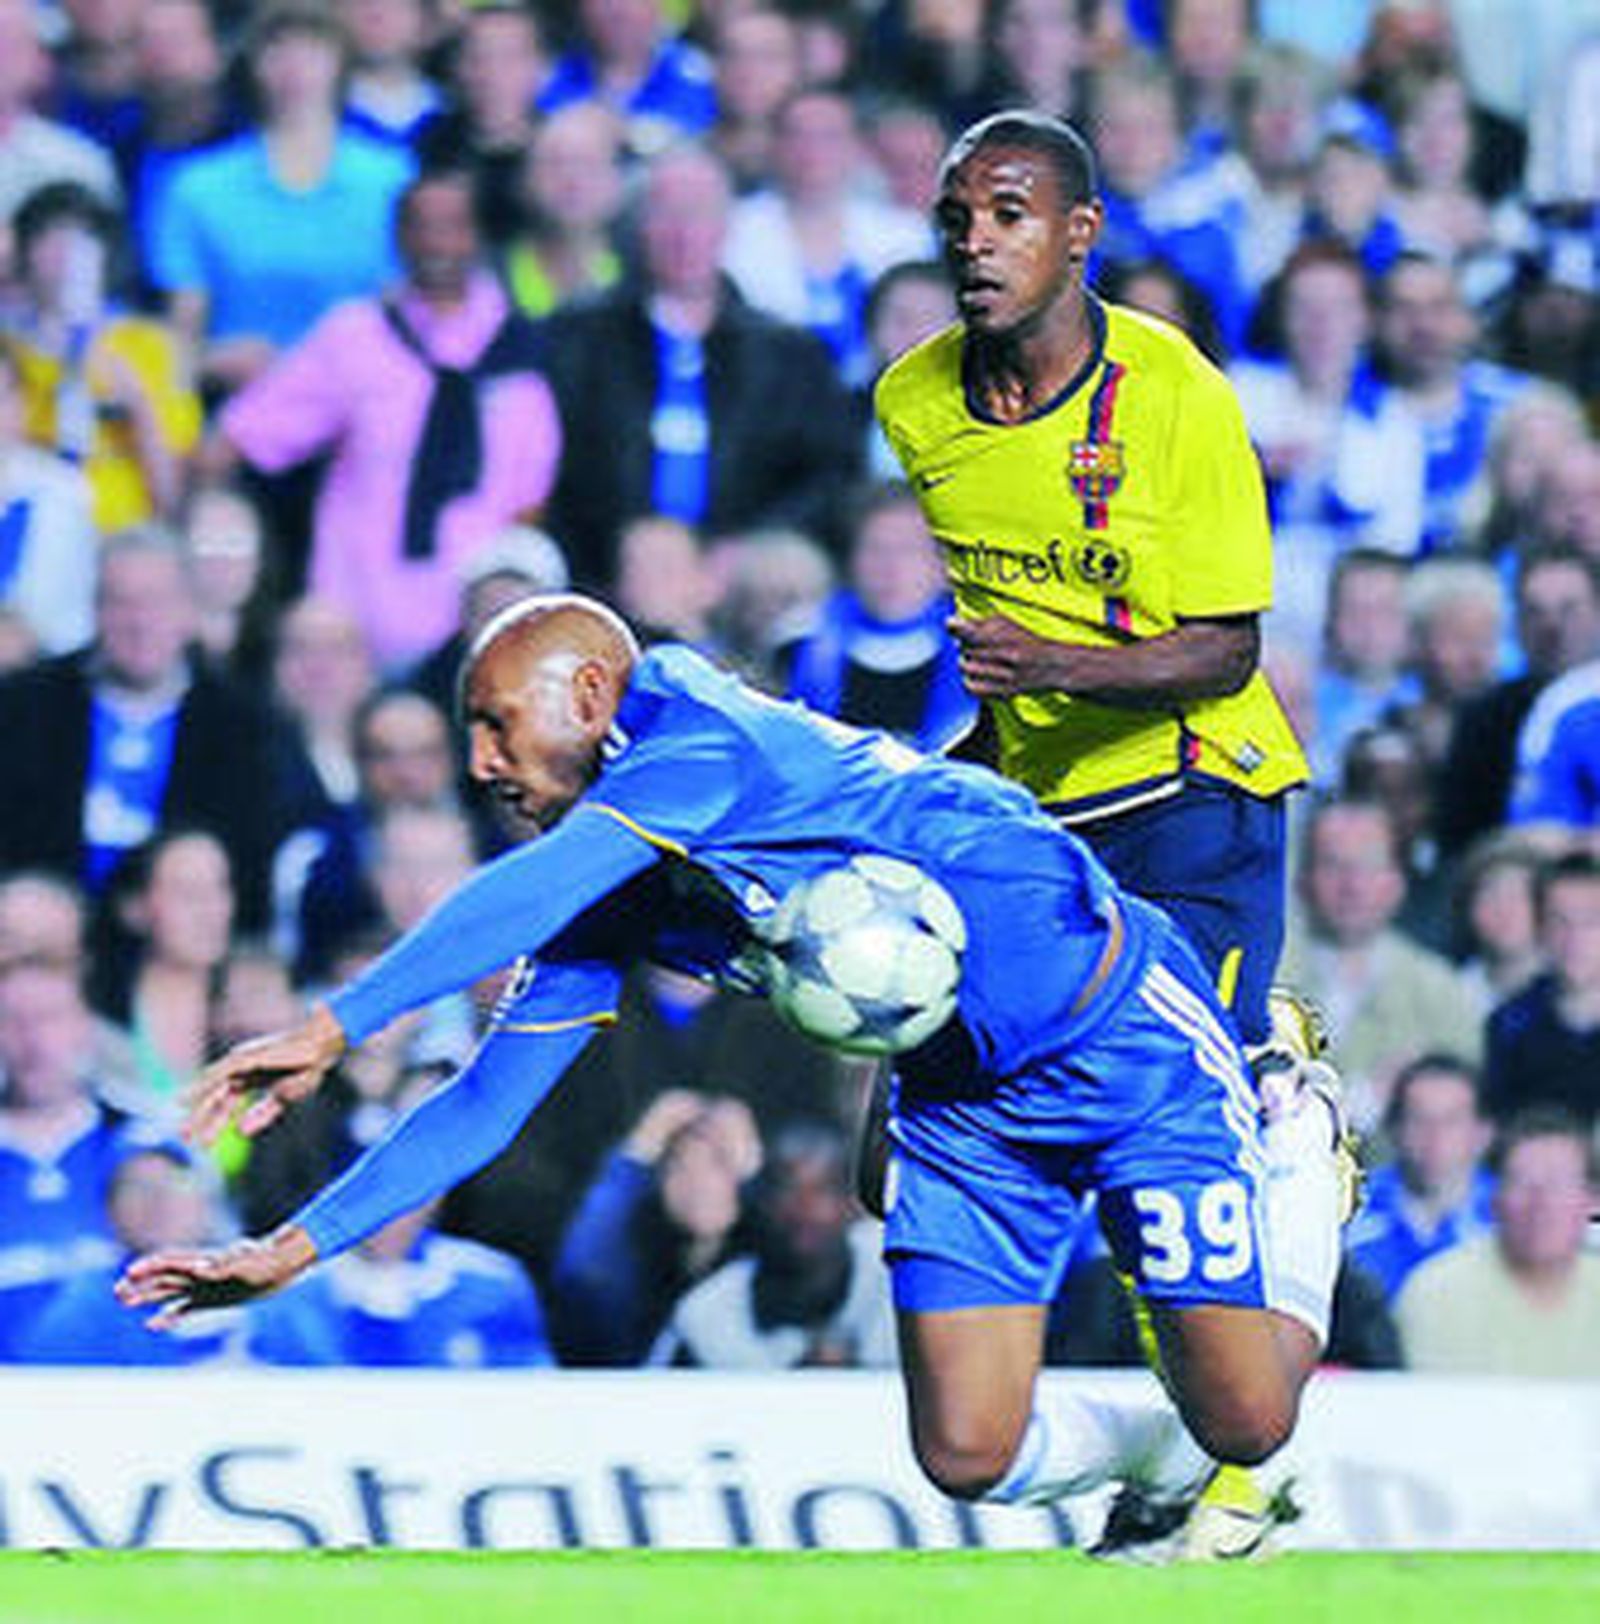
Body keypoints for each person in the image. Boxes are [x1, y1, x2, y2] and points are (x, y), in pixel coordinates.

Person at [117, 595, 1348, 1561]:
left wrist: (339, 1023)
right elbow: (491, 1097)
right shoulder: (617, 873)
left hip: (1108, 1020)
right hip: (962, 1098)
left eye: (499, 722)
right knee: (967, 1450)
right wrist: (295, 1242)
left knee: (1249, 1416)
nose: (482, 760)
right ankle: (1155, 1458)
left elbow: (522, 895)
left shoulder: (698, 742)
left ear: (593, 693)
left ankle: (1294, 1143)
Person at [875, 109, 1307, 1057]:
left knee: (1162, 1087)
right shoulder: (913, 401)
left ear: (1081, 232)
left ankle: (1279, 1090)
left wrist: (1050, 667)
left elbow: (1227, 652)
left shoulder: (1177, 392)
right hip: (1041, 805)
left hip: (1193, 795)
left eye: (1009, 215)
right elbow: (1007, 642)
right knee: (913, 1140)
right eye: (956, 218)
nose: (975, 241)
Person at [204, 169, 563, 671]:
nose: (436, 241)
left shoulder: (520, 351)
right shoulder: (355, 336)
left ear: (479, 235)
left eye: (453, 224)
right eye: (421, 225)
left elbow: (531, 505)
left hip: (477, 642)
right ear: (398, 237)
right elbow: (236, 442)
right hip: (355, 629)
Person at [533, 143, 860, 587]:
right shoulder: (576, 338)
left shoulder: (788, 352)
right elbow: (545, 468)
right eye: (666, 215)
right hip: (604, 564)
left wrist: (747, 545)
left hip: (742, 567)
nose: (684, 235)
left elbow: (828, 475)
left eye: (700, 214)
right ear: (639, 226)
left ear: (727, 226)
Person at [650, 1120, 897, 1369]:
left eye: (822, 1190)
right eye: (786, 1188)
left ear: (852, 1204)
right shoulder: (707, 1314)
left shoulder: (899, 1278)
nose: (804, 1208)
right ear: (763, 1202)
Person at [1392, 1108, 1600, 1379]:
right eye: (1523, 1183)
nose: (1541, 1204)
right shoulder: (1435, 1293)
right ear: (1496, 1200)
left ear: (1592, 1201)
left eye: (1558, 1184)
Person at [1344, 1052, 1495, 1302]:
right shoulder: (1348, 1211)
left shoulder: (1513, 1215)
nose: (1434, 1137)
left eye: (1451, 1121)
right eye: (1419, 1119)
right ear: (1394, 1129)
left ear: (1483, 1133)